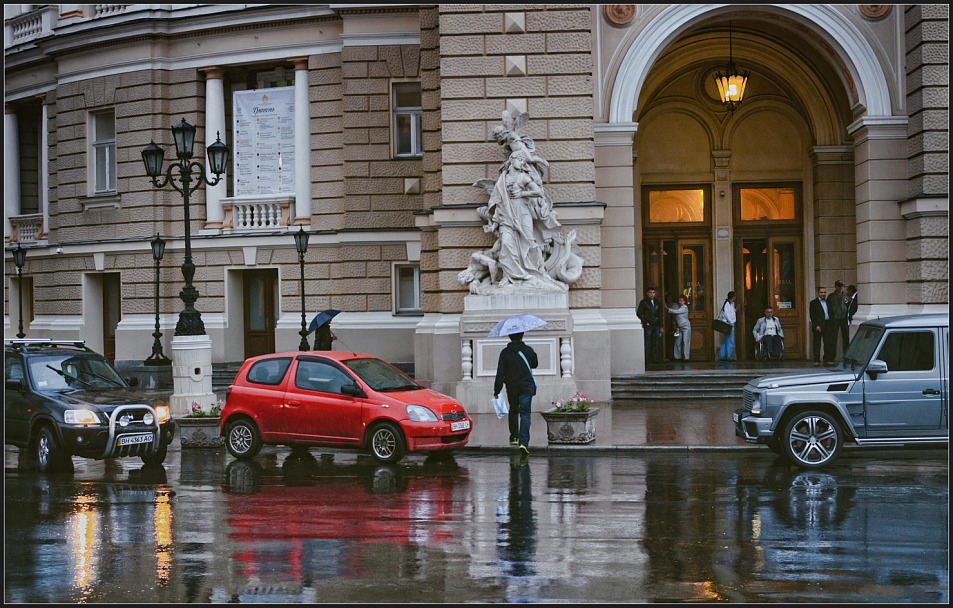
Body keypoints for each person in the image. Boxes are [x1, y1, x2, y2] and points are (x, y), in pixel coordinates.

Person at [493, 332, 538, 454]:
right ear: (522, 336)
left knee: (513, 409)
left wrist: (497, 390)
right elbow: (535, 364)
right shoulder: (528, 350)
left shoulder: (505, 353)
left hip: (512, 387)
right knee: (525, 414)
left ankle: (513, 437)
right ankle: (523, 443)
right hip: (526, 386)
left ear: (510, 337)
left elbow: (500, 372)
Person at [637, 287, 662, 364]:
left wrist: (661, 325)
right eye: (650, 292)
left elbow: (660, 314)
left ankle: (654, 359)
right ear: (647, 293)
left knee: (655, 342)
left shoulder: (657, 302)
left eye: (653, 293)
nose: (652, 294)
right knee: (647, 342)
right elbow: (639, 313)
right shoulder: (644, 302)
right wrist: (645, 322)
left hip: (656, 325)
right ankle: (646, 360)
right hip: (649, 325)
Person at [809, 286, 831, 366]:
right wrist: (816, 325)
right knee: (817, 343)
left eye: (824, 292)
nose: (823, 294)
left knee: (827, 343)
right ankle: (816, 360)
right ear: (818, 293)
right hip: (818, 325)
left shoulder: (829, 302)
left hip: (827, 324)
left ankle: (826, 359)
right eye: (821, 292)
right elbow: (812, 316)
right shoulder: (813, 303)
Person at [666, 295, 691, 361]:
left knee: (686, 342)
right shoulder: (678, 307)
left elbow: (676, 312)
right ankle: (677, 356)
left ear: (684, 301)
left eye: (681, 301)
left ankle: (686, 357)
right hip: (679, 327)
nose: (680, 302)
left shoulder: (684, 307)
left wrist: (667, 308)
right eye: (679, 300)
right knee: (677, 341)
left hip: (686, 327)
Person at [828, 279, 849, 359]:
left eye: (842, 286)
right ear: (835, 287)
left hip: (844, 318)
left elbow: (848, 306)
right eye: (839, 286)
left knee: (846, 337)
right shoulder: (831, 296)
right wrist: (831, 318)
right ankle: (832, 356)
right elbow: (829, 308)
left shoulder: (846, 295)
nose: (840, 288)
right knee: (833, 338)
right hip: (835, 318)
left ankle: (845, 356)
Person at [717, 291, 736, 361]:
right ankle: (729, 357)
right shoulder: (727, 305)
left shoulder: (729, 304)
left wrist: (736, 310)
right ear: (733, 297)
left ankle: (722, 356)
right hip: (729, 324)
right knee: (730, 341)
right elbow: (728, 315)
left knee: (725, 341)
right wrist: (732, 322)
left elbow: (732, 312)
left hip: (728, 324)